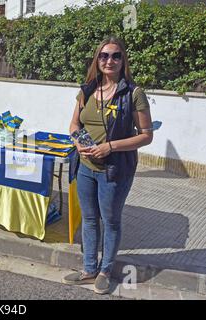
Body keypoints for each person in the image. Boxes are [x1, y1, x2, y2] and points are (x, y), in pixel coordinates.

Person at [63, 36, 153, 294]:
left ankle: (106, 270)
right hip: (85, 167)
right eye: (104, 56)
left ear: (123, 60)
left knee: (111, 221)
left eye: (115, 56)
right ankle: (89, 268)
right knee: (90, 219)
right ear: (97, 60)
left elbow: (146, 135)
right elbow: (74, 125)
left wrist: (110, 146)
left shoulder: (133, 93)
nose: (109, 60)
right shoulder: (87, 89)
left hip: (115, 169)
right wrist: (80, 143)